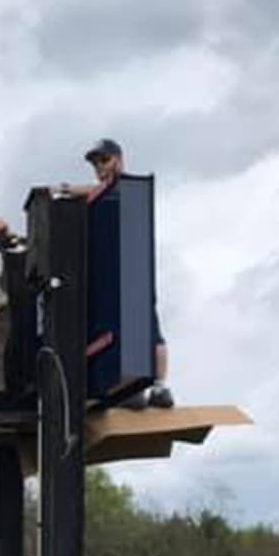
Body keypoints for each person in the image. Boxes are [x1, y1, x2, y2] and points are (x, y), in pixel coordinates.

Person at [60, 138, 174, 408]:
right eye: (96, 164)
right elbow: (92, 191)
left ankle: (160, 386)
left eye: (104, 160)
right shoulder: (102, 195)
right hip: (117, 276)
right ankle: (130, 386)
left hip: (134, 272)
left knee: (149, 327)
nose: (100, 168)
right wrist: (68, 190)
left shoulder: (129, 189)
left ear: (119, 159)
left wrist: (70, 190)